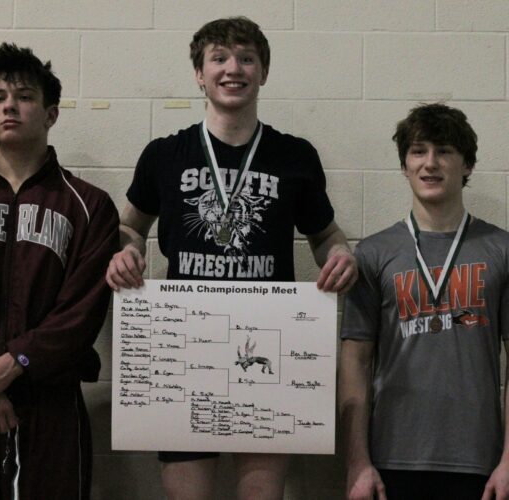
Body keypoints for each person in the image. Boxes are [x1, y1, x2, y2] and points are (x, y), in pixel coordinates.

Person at [106, 16, 357, 500]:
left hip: (267, 336)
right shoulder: (164, 154)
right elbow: (130, 227)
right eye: (218, 58)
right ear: (199, 74)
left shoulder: (294, 155)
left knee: (261, 494)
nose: (233, 68)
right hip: (183, 339)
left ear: (263, 72)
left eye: (246, 58)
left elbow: (325, 234)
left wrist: (341, 254)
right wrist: (126, 252)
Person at [0, 43, 119, 499]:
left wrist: (13, 363)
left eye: (24, 96)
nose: (10, 106)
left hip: (50, 400)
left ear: (50, 114)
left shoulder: (89, 205)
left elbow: (82, 311)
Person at [339, 103, 509, 500]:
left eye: (444, 151)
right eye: (418, 151)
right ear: (404, 165)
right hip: (390, 459)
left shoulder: (501, 249)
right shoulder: (373, 253)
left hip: (480, 462)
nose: (430, 163)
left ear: (467, 165)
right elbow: (355, 364)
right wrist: (357, 462)